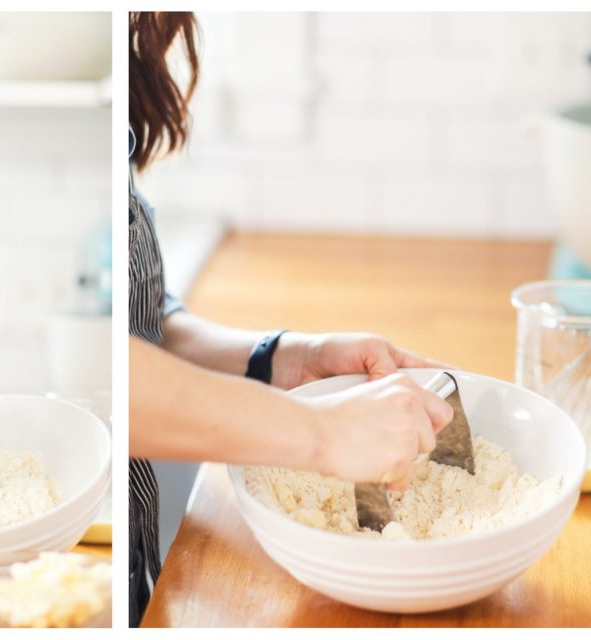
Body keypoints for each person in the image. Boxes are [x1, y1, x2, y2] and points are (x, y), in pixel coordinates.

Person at [127, 12, 455, 626]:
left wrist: (285, 357)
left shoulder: (128, 62)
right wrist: (325, 433)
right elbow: (122, 377)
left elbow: (145, 327)